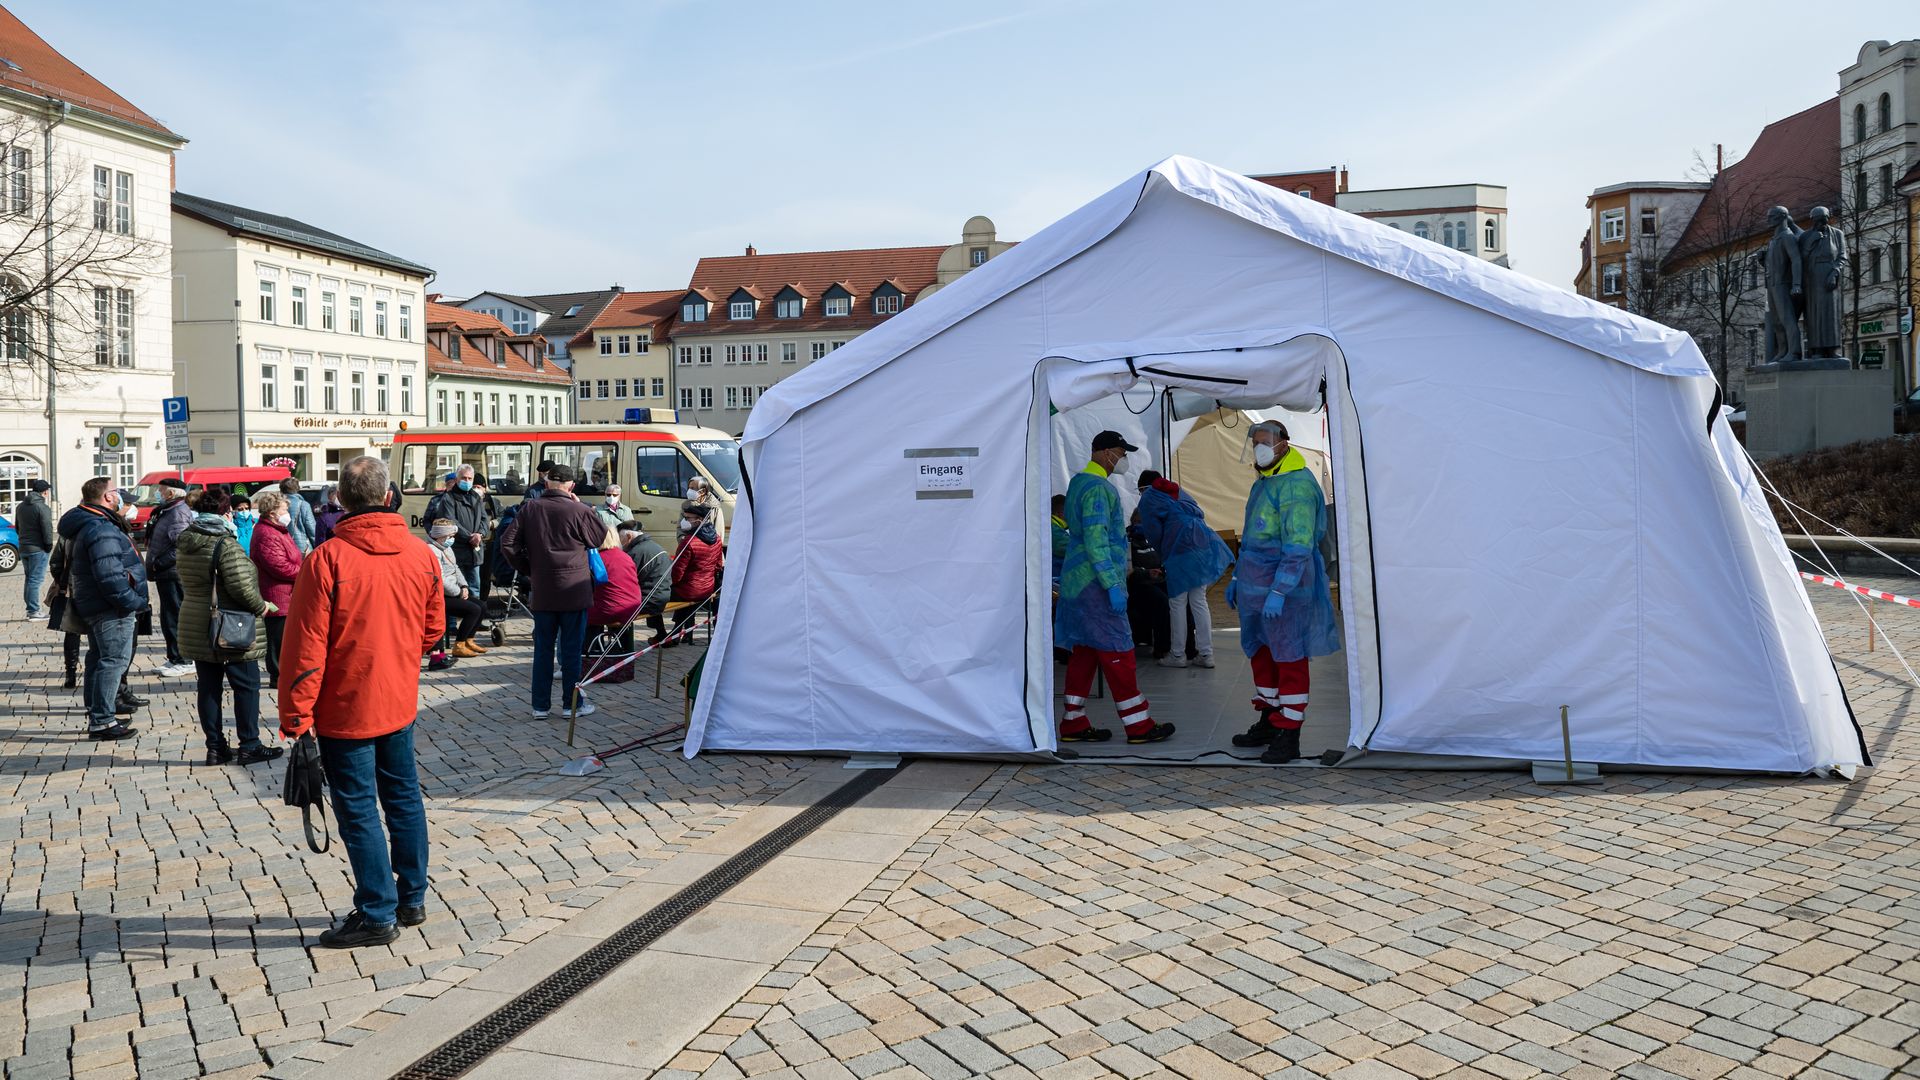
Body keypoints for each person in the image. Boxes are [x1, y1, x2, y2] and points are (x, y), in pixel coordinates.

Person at [279, 455, 443, 949]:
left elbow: (303, 647)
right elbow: (433, 630)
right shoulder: (420, 553)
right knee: (403, 797)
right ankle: (411, 896)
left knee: (358, 809)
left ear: (342, 501)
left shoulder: (327, 558)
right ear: (388, 495)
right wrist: (397, 655)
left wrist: (295, 715)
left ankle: (377, 911)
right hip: (396, 697)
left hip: (346, 705)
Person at [1226, 420, 1340, 764]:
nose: (1259, 448)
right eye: (1256, 442)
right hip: (1255, 587)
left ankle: (1289, 734)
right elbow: (1253, 537)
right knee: (1262, 654)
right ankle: (1269, 720)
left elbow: (1299, 545)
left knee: (1289, 659)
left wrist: (1279, 589)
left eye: (1265, 442)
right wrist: (1237, 578)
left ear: (1283, 444)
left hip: (1286, 591)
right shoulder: (1266, 481)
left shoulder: (1296, 486)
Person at [1056, 431, 1173, 745]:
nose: (1124, 458)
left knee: (1085, 653)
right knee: (1119, 651)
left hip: (1077, 582)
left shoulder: (1078, 483)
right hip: (1095, 585)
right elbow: (1096, 541)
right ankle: (1139, 726)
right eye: (1122, 452)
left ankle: (1073, 722)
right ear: (1105, 452)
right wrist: (1112, 585)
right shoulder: (1097, 488)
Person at [176, 487, 281, 766]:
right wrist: (261, 606)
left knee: (208, 687)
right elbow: (241, 586)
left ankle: (215, 747)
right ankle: (249, 745)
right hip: (230, 623)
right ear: (226, 512)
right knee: (246, 685)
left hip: (198, 621)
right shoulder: (223, 543)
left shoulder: (187, 540)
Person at [501, 463, 608, 719]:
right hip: (574, 589)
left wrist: (528, 569)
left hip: (544, 589)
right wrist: (582, 506)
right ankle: (573, 704)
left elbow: (508, 543)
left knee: (543, 650)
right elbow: (599, 537)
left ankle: (540, 706)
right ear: (571, 485)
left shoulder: (530, 508)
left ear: (547, 483)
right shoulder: (579, 509)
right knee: (571, 650)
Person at [60, 477, 147, 740]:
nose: (121, 497)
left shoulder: (93, 523)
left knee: (99, 659)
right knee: (112, 661)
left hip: (96, 603)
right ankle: (102, 721)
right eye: (117, 491)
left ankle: (99, 712)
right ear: (107, 497)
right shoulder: (101, 528)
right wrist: (131, 601)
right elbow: (109, 575)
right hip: (109, 607)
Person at [1135, 470, 1232, 669]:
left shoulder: (1148, 498)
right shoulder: (1177, 490)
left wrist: (1163, 555)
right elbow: (1199, 512)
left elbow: (1152, 531)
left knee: (1177, 602)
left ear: (1143, 487)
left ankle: (1178, 655)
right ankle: (1206, 654)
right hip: (1202, 542)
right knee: (1199, 600)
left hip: (1179, 548)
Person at [250, 491, 302, 684]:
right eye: (284, 509)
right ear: (272, 512)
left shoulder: (278, 530)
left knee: (285, 638)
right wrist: (303, 571)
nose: (287, 512)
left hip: (286, 593)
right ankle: (278, 675)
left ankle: (284, 672)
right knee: (277, 638)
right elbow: (278, 566)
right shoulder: (267, 533)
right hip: (276, 594)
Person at [145, 477, 194, 677]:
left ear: (171, 493)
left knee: (176, 616)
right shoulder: (168, 511)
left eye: (161, 490)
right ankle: (174, 656)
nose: (158, 493)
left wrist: (160, 562)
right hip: (166, 574)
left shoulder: (178, 513)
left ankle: (185, 659)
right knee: (168, 616)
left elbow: (182, 545)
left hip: (173, 573)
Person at [429, 518, 488, 658]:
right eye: (450, 536)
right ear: (441, 535)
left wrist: (464, 585)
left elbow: (456, 568)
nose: (452, 539)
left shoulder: (446, 547)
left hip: (454, 591)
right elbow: (440, 579)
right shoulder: (432, 550)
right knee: (473, 610)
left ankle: (469, 639)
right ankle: (459, 645)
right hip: (441, 595)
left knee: (482, 606)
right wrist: (458, 592)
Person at [427, 464, 487, 596]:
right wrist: (471, 537)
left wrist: (480, 534)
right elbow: (451, 521)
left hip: (474, 551)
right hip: (456, 550)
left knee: (474, 591)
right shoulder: (448, 498)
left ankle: (474, 616)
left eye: (470, 479)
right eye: (464, 478)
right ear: (457, 479)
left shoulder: (476, 497)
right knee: (455, 591)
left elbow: (484, 519)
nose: (467, 481)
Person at [668, 501, 723, 642]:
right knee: (685, 592)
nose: (684, 521)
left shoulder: (688, 541)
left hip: (691, 589)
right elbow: (718, 565)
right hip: (708, 587)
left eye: (688, 518)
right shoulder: (717, 538)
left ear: (699, 520)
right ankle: (682, 632)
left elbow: (677, 572)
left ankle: (672, 632)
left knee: (665, 594)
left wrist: (670, 584)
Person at [619, 523, 671, 643]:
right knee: (649, 592)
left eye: (620, 539)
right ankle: (662, 634)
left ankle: (622, 645)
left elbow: (625, 581)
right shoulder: (654, 545)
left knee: (618, 606)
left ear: (629, 536)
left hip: (650, 599)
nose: (620, 543)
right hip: (663, 594)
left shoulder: (635, 552)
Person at [16, 477, 54, 619]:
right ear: (44, 492)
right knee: (35, 580)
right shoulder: (42, 507)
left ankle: (30, 609)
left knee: (29, 579)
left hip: (24, 547)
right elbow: (47, 528)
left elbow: (18, 527)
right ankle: (34, 611)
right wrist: (48, 545)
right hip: (38, 548)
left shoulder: (20, 506)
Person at [280, 477, 316, 555]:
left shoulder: (277, 505)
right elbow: (312, 530)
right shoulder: (303, 505)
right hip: (301, 548)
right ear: (297, 489)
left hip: (281, 547)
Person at [685, 476, 726, 544]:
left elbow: (719, 534)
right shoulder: (686, 506)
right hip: (690, 548)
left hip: (708, 551)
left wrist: (708, 548)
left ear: (703, 491)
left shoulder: (715, 508)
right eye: (689, 488)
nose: (689, 491)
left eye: (692, 488)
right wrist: (685, 543)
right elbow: (680, 529)